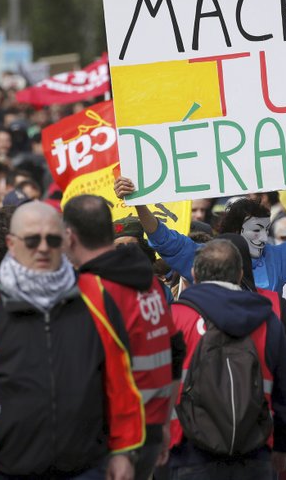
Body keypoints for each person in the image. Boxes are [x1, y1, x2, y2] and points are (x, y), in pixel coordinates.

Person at [0, 201, 144, 479]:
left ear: (67, 240)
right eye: (33, 240)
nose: (43, 247)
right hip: (5, 471)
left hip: (87, 469)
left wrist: (124, 452)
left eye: (53, 238)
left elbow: (121, 379)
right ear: (11, 243)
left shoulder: (95, 297)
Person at [64, 195, 180, 480]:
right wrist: (164, 424)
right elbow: (174, 352)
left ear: (69, 236)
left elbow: (88, 374)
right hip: (151, 426)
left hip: (113, 439)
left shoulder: (93, 290)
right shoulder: (151, 285)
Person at [168, 239, 286, 479]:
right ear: (241, 273)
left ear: (193, 272)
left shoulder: (175, 318)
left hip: (187, 450)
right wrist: (283, 445)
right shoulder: (267, 320)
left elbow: (152, 384)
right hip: (256, 450)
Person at [115, 175, 286, 294]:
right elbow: (160, 236)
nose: (262, 238)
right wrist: (137, 200)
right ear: (235, 232)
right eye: (255, 230)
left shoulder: (278, 258)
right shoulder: (201, 257)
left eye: (265, 230)